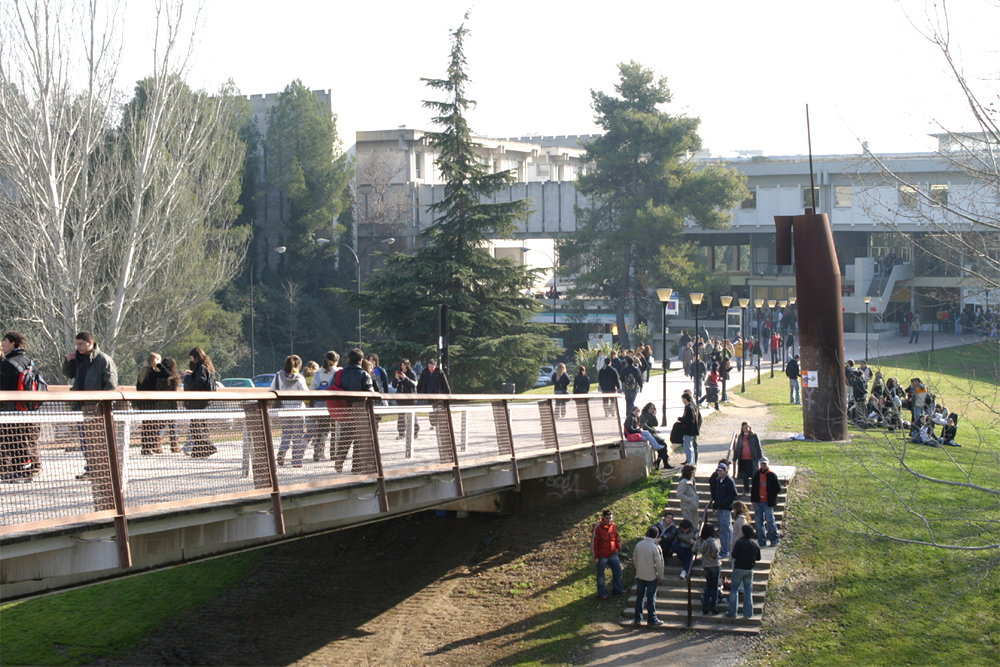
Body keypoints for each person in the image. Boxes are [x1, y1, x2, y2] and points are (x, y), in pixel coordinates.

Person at [62, 331, 119, 480]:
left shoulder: (103, 360)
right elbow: (69, 375)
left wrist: (102, 402)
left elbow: (111, 383)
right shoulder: (78, 359)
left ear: (90, 343)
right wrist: (68, 362)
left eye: (81, 344)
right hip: (80, 404)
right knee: (84, 438)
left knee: (98, 439)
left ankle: (102, 469)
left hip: (96, 406)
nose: (78, 347)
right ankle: (91, 469)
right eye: (77, 344)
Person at [0, 331, 43, 482]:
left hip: (11, 408)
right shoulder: (29, 361)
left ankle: (14, 472)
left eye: (5, 341)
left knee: (10, 440)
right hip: (28, 408)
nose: (3, 344)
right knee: (25, 439)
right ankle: (27, 470)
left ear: (13, 343)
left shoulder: (7, 363)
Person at [334, 348, 376, 474]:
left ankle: (339, 462)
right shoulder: (364, 374)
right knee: (359, 439)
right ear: (361, 360)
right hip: (360, 409)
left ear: (348, 359)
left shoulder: (339, 374)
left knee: (345, 437)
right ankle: (356, 467)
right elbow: (370, 392)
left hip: (344, 408)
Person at [270, 355, 309, 467]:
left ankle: (282, 451)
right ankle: (296, 461)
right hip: (297, 409)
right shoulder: (299, 378)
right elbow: (305, 392)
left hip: (284, 409)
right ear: (298, 365)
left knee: (286, 434)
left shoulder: (278, 376)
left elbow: (271, 390)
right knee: (297, 436)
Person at [183, 347, 217, 458]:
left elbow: (198, 384)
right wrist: (192, 374)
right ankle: (199, 450)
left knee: (196, 426)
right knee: (199, 425)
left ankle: (208, 447)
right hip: (204, 400)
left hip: (198, 401)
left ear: (197, 357)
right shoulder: (207, 367)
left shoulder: (201, 367)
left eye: (192, 358)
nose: (191, 360)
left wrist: (188, 377)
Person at [417, 358, 452, 461]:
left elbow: (445, 384)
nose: (431, 367)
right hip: (428, 393)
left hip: (437, 393)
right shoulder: (425, 372)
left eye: (433, 366)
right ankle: (433, 423)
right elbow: (421, 383)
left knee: (437, 408)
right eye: (430, 366)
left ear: (435, 366)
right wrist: (419, 393)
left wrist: (448, 394)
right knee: (431, 409)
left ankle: (436, 422)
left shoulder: (439, 373)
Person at [726, 524, 761, 620]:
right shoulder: (755, 544)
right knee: (748, 591)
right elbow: (758, 558)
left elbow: (733, 555)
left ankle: (732, 612)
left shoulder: (740, 542)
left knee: (734, 590)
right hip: (749, 570)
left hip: (738, 569)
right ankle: (748, 613)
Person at [310, 351, 340, 460]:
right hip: (333, 405)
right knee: (335, 430)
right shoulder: (338, 371)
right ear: (336, 361)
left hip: (319, 405)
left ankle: (318, 453)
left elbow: (312, 389)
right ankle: (334, 453)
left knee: (322, 429)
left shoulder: (317, 373)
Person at [632, 525, 665, 626]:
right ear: (657, 535)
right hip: (651, 576)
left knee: (640, 597)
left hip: (640, 574)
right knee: (651, 597)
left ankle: (637, 618)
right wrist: (660, 576)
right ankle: (652, 619)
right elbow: (659, 563)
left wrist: (638, 569)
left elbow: (635, 558)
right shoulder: (655, 547)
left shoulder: (639, 544)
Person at [135, 352, 165, 455]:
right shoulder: (151, 372)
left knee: (147, 425)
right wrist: (159, 364)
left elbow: (138, 387)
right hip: (151, 402)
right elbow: (166, 374)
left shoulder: (142, 372)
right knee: (152, 425)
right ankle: (148, 447)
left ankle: (146, 447)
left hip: (143, 402)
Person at [592, 509, 624, 600]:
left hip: (613, 553)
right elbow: (594, 543)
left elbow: (616, 537)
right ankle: (602, 593)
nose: (609, 520)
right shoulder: (598, 528)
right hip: (602, 556)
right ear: (603, 518)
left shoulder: (613, 526)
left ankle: (617, 589)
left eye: (610, 518)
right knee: (601, 575)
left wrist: (618, 546)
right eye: (607, 518)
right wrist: (596, 556)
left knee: (618, 571)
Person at [752, 457, 781, 547]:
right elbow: (754, 488)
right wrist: (753, 500)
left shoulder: (772, 475)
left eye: (765, 464)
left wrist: (769, 494)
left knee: (770, 521)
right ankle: (762, 540)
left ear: (767, 464)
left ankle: (774, 539)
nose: (763, 465)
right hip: (758, 502)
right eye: (762, 464)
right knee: (759, 522)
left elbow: (778, 488)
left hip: (767, 502)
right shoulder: (757, 474)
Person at [713, 462, 738, 559]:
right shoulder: (718, 480)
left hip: (726, 508)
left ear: (725, 471)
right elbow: (717, 494)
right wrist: (715, 505)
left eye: (721, 471)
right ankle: (728, 548)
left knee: (725, 529)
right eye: (718, 471)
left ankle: (725, 550)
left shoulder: (729, 481)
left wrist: (723, 502)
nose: (719, 473)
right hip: (719, 508)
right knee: (725, 528)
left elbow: (733, 494)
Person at [696, 523, 722, 614]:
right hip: (714, 565)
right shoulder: (712, 540)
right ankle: (714, 606)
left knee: (708, 586)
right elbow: (715, 549)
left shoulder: (700, 540)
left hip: (705, 565)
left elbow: (694, 549)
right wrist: (713, 556)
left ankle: (705, 606)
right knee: (714, 587)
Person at [391, 359, 419, 440]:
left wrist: (405, 378)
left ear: (407, 365)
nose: (402, 367)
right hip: (400, 398)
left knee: (412, 416)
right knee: (401, 416)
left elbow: (413, 385)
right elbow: (394, 386)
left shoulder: (412, 374)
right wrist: (396, 378)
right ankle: (401, 433)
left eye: (404, 365)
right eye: (401, 365)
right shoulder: (399, 372)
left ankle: (415, 431)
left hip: (410, 398)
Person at [734, 422, 764, 495]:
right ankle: (746, 490)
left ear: (750, 428)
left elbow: (758, 447)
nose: (746, 429)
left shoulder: (754, 436)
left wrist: (761, 458)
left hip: (752, 460)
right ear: (742, 428)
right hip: (743, 460)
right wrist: (735, 458)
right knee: (745, 476)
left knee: (754, 475)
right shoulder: (740, 436)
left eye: (747, 427)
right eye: (744, 427)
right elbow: (738, 448)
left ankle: (754, 490)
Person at [638, 403, 671, 468]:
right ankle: (662, 463)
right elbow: (644, 426)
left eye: (653, 408)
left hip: (653, 432)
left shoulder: (651, 415)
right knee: (663, 445)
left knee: (663, 447)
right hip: (648, 433)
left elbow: (655, 424)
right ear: (647, 408)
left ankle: (659, 463)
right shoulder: (643, 416)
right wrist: (653, 431)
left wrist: (654, 416)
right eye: (650, 408)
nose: (651, 410)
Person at [680, 393, 699, 465]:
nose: (682, 401)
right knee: (689, 447)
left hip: (689, 430)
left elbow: (690, 420)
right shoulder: (690, 407)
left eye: (683, 399)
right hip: (689, 430)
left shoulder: (689, 408)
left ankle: (690, 463)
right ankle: (692, 462)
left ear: (685, 398)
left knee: (688, 447)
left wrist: (682, 419)